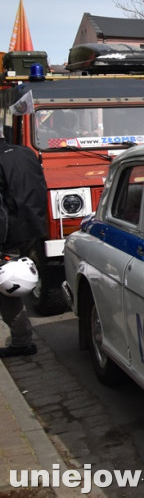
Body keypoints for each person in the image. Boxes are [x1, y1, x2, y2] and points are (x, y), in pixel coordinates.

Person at [0, 139, 48, 357]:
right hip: (31, 228)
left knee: (8, 289)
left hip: (9, 234)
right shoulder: (26, 153)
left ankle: (22, 342)